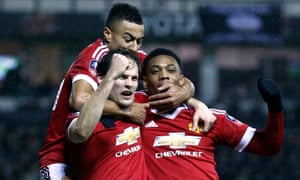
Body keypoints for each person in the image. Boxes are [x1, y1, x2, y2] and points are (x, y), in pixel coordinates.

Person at [39, 3, 215, 180]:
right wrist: (127, 110)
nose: (134, 46)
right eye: (128, 39)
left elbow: (171, 82)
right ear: (108, 34)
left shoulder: (132, 55)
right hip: (61, 153)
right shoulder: (94, 55)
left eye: (139, 41)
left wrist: (194, 101)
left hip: (95, 152)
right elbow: (79, 100)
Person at [135, 48, 284, 179]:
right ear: (146, 82)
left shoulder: (210, 117)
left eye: (171, 70)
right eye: (156, 71)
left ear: (182, 81)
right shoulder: (135, 116)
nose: (164, 76)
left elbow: (268, 146)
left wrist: (275, 107)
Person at [65, 48, 147, 179]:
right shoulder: (82, 115)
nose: (129, 84)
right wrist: (111, 75)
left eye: (134, 79)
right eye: (122, 77)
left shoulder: (141, 102)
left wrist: (190, 91)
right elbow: (80, 132)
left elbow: (178, 89)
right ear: (101, 78)